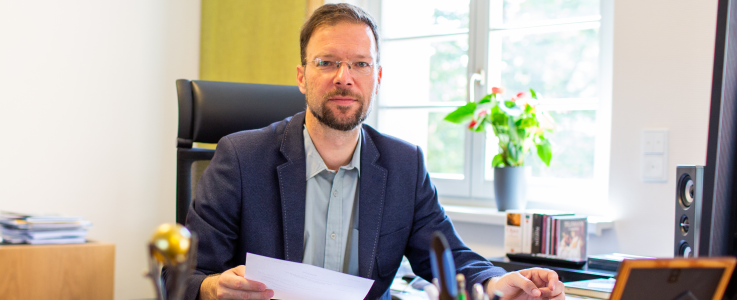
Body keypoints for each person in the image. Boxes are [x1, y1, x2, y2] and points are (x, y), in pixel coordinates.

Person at [169, 4, 566, 300]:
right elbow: (181, 278)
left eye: (360, 64)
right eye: (327, 62)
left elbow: (449, 256)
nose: (345, 78)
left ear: (377, 77)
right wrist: (210, 288)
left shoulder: (404, 165)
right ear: (302, 77)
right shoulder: (240, 158)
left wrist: (498, 282)